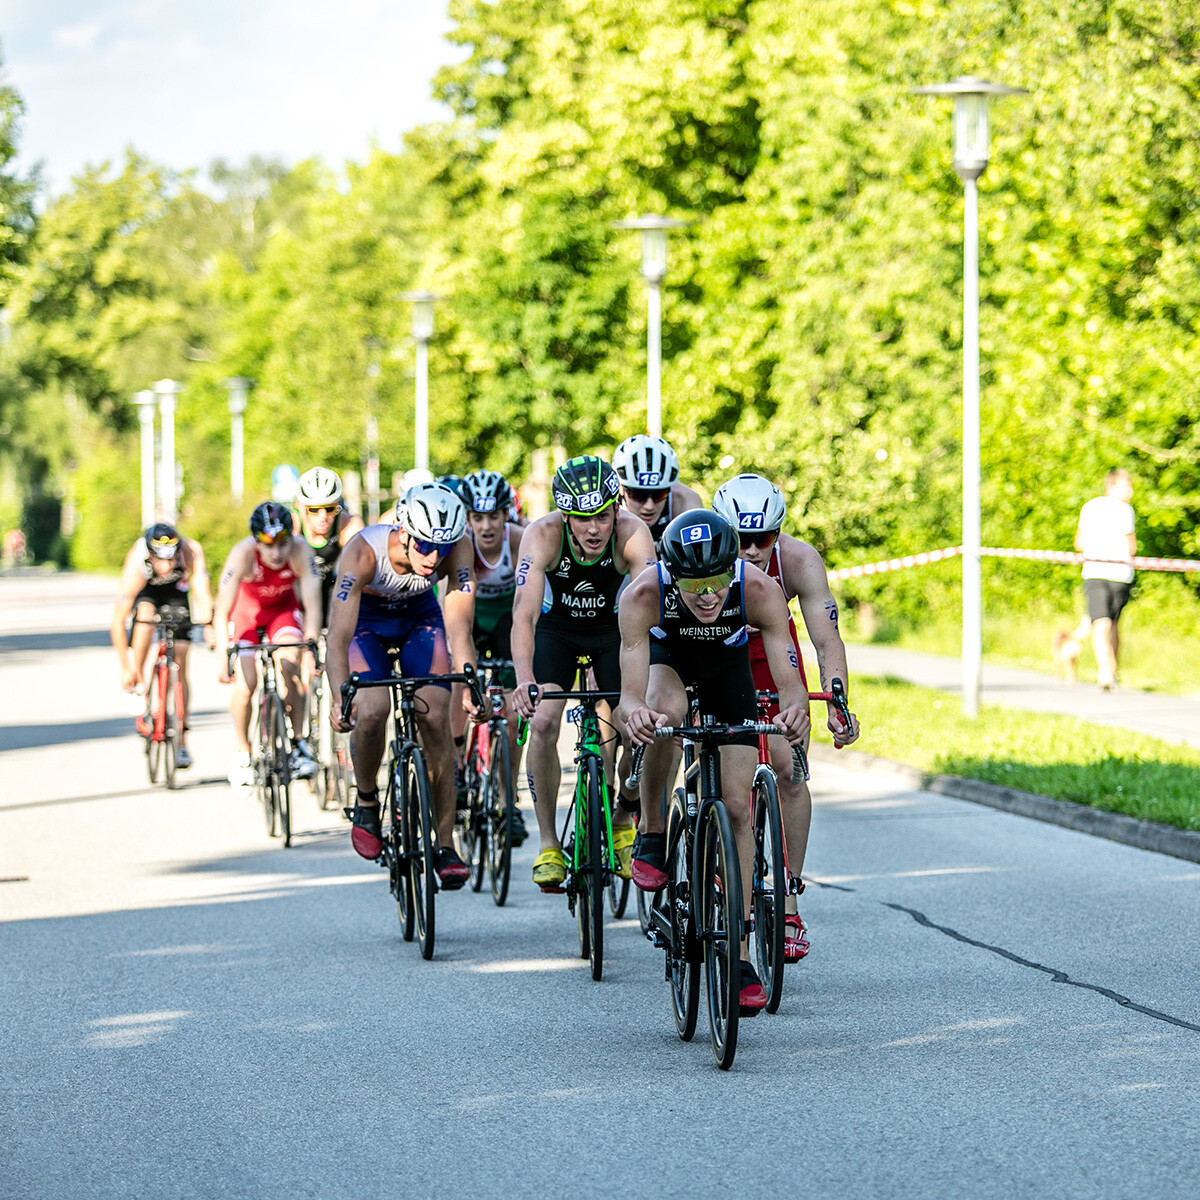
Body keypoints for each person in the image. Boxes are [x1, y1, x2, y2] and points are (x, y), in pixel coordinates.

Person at [618, 508, 810, 1013]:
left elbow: (789, 683)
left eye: (719, 580)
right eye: (694, 583)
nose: (708, 595)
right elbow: (629, 697)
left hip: (729, 670)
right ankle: (655, 830)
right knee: (666, 713)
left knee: (739, 806)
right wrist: (635, 713)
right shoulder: (642, 595)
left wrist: (794, 709)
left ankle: (741, 954)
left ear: (733, 569)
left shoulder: (759, 590)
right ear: (672, 574)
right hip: (669, 662)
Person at [712, 473, 860, 959]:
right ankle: (708, 844)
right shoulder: (703, 555)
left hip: (778, 661)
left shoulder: (799, 560)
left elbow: (825, 638)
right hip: (717, 656)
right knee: (710, 762)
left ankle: (789, 897)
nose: (753, 550)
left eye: (763, 539)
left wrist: (838, 699)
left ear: (778, 534)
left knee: (790, 770)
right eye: (742, 540)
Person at [511, 455, 656, 889]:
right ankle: (549, 844)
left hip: (615, 633)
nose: (593, 529)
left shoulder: (633, 534)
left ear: (617, 508)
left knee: (637, 724)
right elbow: (523, 616)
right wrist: (524, 680)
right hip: (558, 633)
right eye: (581, 518)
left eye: (602, 516)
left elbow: (649, 605)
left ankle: (625, 812)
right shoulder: (543, 535)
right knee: (543, 721)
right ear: (564, 515)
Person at [326, 483, 478, 888]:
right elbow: (338, 637)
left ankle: (445, 844)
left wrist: (469, 685)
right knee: (372, 710)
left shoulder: (456, 546)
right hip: (366, 625)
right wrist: (339, 696)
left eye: (442, 548)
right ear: (404, 533)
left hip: (420, 620)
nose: (434, 557)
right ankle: (367, 801)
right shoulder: (362, 551)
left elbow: (460, 627)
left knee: (435, 719)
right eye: (425, 546)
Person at [213, 502, 323, 789]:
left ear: (291, 538)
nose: (276, 553)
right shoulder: (242, 554)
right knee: (245, 685)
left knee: (291, 665)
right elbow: (222, 610)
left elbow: (312, 604)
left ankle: (298, 743)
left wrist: (310, 648)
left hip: (282, 612)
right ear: (256, 541)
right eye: (268, 545)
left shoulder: (301, 551)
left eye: (283, 544)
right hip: (246, 613)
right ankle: (242, 751)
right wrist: (224, 656)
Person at [458, 468, 528, 845]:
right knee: (457, 682)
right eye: (477, 518)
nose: (486, 526)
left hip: (505, 617)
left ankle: (507, 798)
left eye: (493, 516)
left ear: (506, 515)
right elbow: (451, 609)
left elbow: (528, 605)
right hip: (468, 617)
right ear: (468, 519)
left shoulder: (517, 541)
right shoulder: (460, 543)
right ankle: (456, 769)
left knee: (513, 712)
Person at [111, 523, 214, 769]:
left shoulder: (190, 551)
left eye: (171, 559)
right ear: (149, 554)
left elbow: (202, 592)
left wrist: (210, 625)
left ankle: (181, 741)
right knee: (144, 620)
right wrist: (126, 668)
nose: (166, 566)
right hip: (148, 594)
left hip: (176, 595)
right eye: (160, 560)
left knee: (180, 659)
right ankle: (139, 682)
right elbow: (117, 621)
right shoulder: (137, 561)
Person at [1074, 468, 1136, 691]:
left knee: (1102, 623)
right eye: (1126, 485)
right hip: (1120, 574)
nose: (1130, 490)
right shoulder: (1125, 510)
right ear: (1111, 485)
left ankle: (1106, 671)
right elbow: (1132, 547)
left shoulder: (1089, 506)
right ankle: (1110, 671)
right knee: (1111, 624)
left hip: (1095, 571)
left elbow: (1078, 543)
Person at [293, 467, 364, 629]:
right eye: (314, 510)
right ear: (303, 507)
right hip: (301, 585)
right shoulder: (294, 524)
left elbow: (357, 570)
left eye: (330, 508)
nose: (323, 516)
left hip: (334, 583)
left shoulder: (348, 524)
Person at [611, 434, 703, 549]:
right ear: (620, 488)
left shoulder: (685, 500)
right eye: (638, 496)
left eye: (659, 495)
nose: (649, 506)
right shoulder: (608, 507)